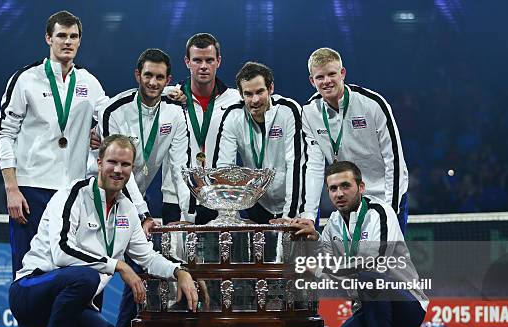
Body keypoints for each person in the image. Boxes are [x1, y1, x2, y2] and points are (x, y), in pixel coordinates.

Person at [8, 135, 198, 327]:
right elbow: (61, 253)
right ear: (99, 163)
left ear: (132, 169)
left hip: (75, 306)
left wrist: (179, 272)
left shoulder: (127, 211)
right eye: (112, 162)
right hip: (32, 290)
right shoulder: (73, 194)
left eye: (126, 165)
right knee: (85, 278)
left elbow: (148, 257)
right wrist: (118, 266)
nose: (118, 170)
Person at [0, 10, 106, 327]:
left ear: (79, 41)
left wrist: (170, 97)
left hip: (73, 193)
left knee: (79, 270)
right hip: (31, 190)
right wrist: (11, 188)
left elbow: (113, 117)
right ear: (48, 38)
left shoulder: (89, 82)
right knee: (30, 271)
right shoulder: (25, 80)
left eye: (73, 37)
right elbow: (5, 133)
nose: (67, 42)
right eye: (61, 36)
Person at [291, 161, 427, 327]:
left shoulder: (380, 213)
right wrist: (313, 244)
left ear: (361, 187)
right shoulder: (333, 223)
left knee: (370, 278)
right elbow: (322, 268)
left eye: (345, 186)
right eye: (333, 189)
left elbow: (375, 267)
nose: (339, 193)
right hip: (369, 311)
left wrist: (321, 267)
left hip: (406, 306)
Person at [300, 48, 409, 234]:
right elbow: (315, 166)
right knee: (351, 261)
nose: (326, 81)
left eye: (331, 74)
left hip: (384, 195)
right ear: (312, 81)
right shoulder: (309, 113)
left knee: (388, 261)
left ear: (342, 73)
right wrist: (309, 214)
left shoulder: (373, 104)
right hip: (347, 199)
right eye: (320, 77)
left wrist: (390, 210)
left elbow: (394, 159)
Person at [94, 48, 194, 233]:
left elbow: (180, 168)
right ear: (137, 75)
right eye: (148, 75)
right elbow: (118, 168)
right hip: (98, 197)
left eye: (159, 77)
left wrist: (189, 217)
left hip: (136, 197)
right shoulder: (113, 111)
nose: (153, 83)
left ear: (168, 80)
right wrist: (142, 213)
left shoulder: (176, 113)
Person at [212, 61, 305, 223]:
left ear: (271, 89)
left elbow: (296, 164)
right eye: (248, 94)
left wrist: (290, 216)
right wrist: (231, 217)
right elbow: (224, 168)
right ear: (241, 95)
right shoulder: (233, 116)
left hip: (294, 203)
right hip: (257, 202)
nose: (255, 100)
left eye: (260, 92)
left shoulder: (288, 111)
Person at [163, 33, 242, 224]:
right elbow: (139, 103)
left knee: (220, 254)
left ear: (219, 61)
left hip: (219, 196)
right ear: (187, 61)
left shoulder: (235, 99)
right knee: (176, 254)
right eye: (197, 60)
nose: (203, 66)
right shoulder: (169, 99)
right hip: (175, 196)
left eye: (209, 60)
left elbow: (265, 105)